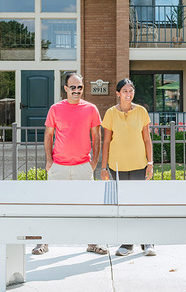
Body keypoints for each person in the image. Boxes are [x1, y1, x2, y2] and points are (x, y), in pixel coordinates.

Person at [32, 72, 107, 256]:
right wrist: (49, 160)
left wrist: (94, 162)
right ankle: (43, 241)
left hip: (83, 166)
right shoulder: (55, 109)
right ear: (65, 88)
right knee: (50, 205)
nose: (76, 90)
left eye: (79, 87)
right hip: (59, 166)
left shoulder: (91, 109)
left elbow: (97, 137)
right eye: (72, 87)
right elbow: (48, 135)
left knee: (89, 206)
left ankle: (93, 242)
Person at [100, 78, 156, 257]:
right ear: (118, 93)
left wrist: (150, 162)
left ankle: (147, 241)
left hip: (139, 164)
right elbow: (106, 141)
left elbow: (147, 139)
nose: (128, 94)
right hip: (118, 166)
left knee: (139, 201)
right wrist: (103, 167)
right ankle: (127, 242)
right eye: (124, 90)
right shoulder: (110, 113)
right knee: (124, 204)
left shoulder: (141, 112)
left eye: (131, 90)